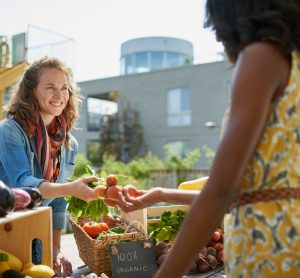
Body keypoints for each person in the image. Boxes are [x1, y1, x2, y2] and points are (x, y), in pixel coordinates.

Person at [118, 0, 300, 277]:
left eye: (216, 22)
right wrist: (161, 194)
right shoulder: (293, 64)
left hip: (271, 247)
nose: (217, 34)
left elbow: (221, 191)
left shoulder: (260, 56)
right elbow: (254, 185)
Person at [0, 56, 98, 277]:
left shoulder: (68, 143)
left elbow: (58, 203)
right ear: (31, 91)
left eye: (64, 88)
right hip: (7, 233)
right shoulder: (10, 130)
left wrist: (55, 250)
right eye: (50, 87)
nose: (59, 95)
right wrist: (70, 188)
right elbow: (24, 186)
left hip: (39, 239)